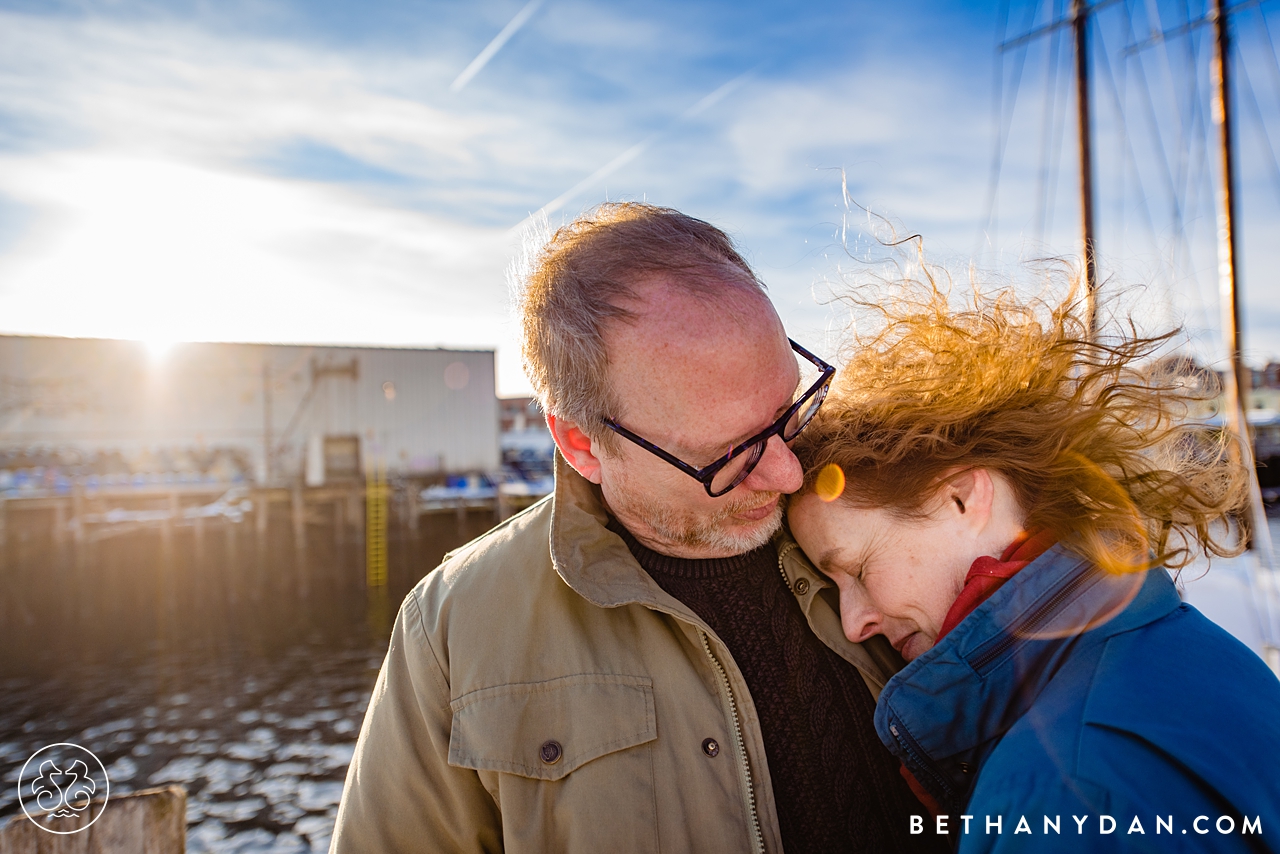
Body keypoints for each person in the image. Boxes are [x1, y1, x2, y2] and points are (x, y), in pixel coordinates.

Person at [331, 202, 938, 853]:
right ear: (580, 443)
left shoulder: (895, 501)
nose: (791, 474)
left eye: (790, 407)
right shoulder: (455, 628)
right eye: (729, 455)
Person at [787, 279, 1280, 852]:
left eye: (859, 570)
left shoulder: (1055, 788)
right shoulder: (1187, 647)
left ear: (962, 500)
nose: (854, 623)